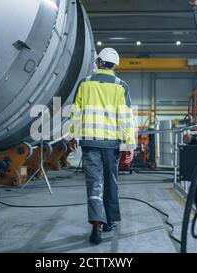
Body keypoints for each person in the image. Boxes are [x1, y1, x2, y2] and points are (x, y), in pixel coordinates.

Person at [69, 48, 136, 245]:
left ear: (98, 62)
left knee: (94, 182)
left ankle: (97, 224)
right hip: (111, 144)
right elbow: (126, 118)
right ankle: (111, 220)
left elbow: (75, 112)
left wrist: (72, 136)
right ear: (115, 65)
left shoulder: (85, 83)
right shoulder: (121, 85)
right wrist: (129, 144)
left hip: (90, 142)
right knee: (110, 180)